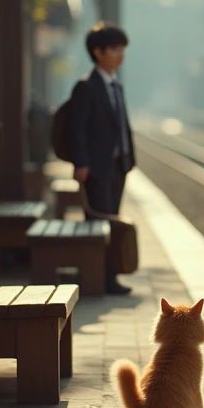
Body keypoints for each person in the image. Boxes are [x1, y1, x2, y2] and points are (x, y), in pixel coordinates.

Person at [69, 21, 136, 295]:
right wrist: (81, 162)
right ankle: (100, 279)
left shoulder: (116, 86)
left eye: (122, 49)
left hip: (117, 167)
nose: (121, 54)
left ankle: (108, 277)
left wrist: (129, 159)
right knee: (99, 226)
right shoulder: (86, 87)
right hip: (96, 169)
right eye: (115, 49)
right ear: (98, 52)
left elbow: (123, 126)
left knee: (112, 222)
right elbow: (77, 129)